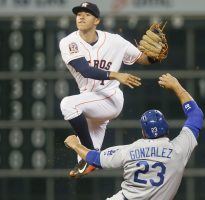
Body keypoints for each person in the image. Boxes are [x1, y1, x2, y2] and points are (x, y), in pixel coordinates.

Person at [64, 73, 204, 200]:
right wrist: (176, 85)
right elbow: (196, 115)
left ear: (143, 132)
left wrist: (75, 144)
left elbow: (95, 159)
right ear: (166, 128)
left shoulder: (129, 151)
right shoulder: (179, 150)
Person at [59, 2, 156, 178]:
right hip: (90, 103)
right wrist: (116, 75)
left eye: (87, 14)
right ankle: (89, 159)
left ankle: (87, 153)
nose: (81, 16)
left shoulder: (115, 41)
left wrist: (153, 58)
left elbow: (143, 59)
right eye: (79, 13)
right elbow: (85, 69)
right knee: (92, 160)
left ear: (97, 20)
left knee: (67, 105)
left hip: (110, 99)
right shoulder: (68, 42)